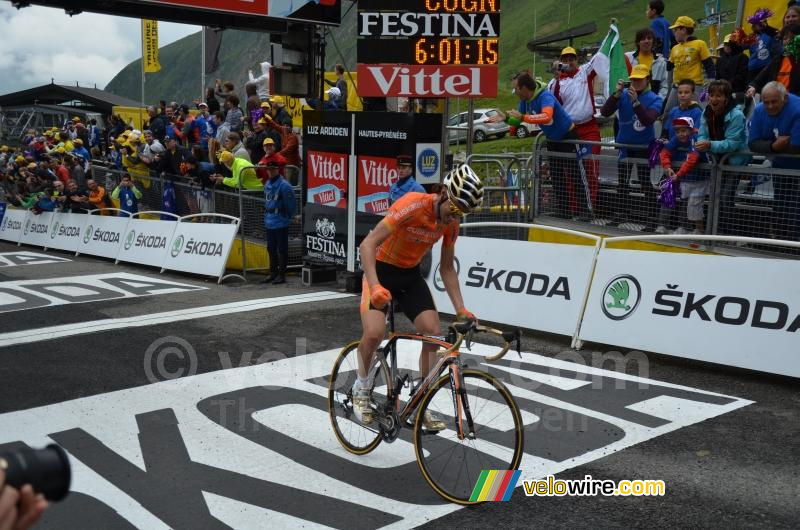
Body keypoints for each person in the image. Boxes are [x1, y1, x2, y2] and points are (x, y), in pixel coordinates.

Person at [353, 164, 482, 430]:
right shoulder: (412, 205)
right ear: (444, 193)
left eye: (463, 214)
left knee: (433, 333)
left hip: (409, 277)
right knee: (375, 334)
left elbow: (447, 268)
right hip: (381, 270)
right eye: (455, 208)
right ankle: (361, 387)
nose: (455, 217)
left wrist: (462, 309)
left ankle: (420, 403)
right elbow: (367, 244)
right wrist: (375, 286)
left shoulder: (450, 225)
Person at [489, 73, 589, 219]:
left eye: (515, 89)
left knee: (575, 173)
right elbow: (517, 122)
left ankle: (586, 211)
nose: (514, 92)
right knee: (556, 175)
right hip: (552, 138)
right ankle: (564, 211)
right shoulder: (525, 100)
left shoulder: (545, 96)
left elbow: (546, 116)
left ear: (523, 88)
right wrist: (506, 118)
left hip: (568, 136)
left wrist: (523, 117)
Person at [600, 64, 664, 230]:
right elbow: (605, 112)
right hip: (625, 146)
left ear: (647, 79)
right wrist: (616, 94)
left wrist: (636, 102)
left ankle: (652, 218)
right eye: (633, 79)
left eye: (640, 79)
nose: (636, 82)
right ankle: (620, 213)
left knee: (644, 181)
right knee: (622, 182)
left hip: (644, 147)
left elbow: (648, 120)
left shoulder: (656, 99)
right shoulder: (622, 96)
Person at [548, 46, 606, 212]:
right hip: (570, 131)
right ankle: (574, 209)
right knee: (572, 172)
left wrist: (611, 33)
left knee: (591, 168)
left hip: (589, 128)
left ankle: (590, 208)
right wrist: (557, 77)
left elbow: (599, 56)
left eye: (571, 59)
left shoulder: (584, 72)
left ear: (576, 60)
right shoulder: (556, 82)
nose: (568, 62)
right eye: (564, 60)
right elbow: (553, 100)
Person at [695, 79, 749, 235]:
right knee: (714, 198)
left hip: (733, 163)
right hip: (716, 161)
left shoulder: (737, 115)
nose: (714, 99)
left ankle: (730, 234)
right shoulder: (706, 112)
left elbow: (732, 144)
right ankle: (715, 232)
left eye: (718, 95)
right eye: (711, 95)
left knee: (725, 198)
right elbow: (701, 135)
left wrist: (709, 145)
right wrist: (703, 143)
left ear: (726, 97)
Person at [748, 81, 800, 241]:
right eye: (766, 102)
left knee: (795, 209)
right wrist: (773, 145)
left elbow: (796, 147)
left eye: (774, 101)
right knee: (782, 204)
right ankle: (781, 241)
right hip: (781, 166)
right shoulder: (758, 111)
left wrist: (770, 145)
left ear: (784, 98)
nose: (769, 106)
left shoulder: (797, 109)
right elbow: (752, 143)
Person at [658, 116, 708, 234]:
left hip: (701, 178)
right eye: (678, 131)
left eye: (684, 131)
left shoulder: (695, 137)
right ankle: (688, 228)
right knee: (687, 202)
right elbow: (665, 152)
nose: (681, 134)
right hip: (687, 177)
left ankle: (699, 231)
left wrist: (678, 174)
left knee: (695, 204)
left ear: (690, 130)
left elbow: (692, 158)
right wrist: (667, 166)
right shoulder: (677, 138)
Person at [665, 16, 714, 113]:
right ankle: (666, 128)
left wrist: (710, 86)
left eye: (675, 30)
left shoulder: (699, 44)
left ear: (683, 29)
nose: (674, 33)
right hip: (677, 86)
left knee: (698, 111)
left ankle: (701, 128)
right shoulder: (675, 48)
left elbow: (709, 65)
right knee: (668, 111)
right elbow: (669, 67)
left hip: (694, 86)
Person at [261, 160, 296, 285]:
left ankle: (281, 275)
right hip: (270, 221)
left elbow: (291, 205)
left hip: (280, 221)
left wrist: (287, 216)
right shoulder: (267, 183)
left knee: (282, 249)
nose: (270, 172)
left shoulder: (284, 186)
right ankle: (273, 273)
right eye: (269, 170)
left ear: (277, 169)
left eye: (273, 169)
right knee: (271, 248)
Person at [747, 24, 800, 98]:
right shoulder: (778, 59)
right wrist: (754, 86)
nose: (788, 41)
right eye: (785, 38)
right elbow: (763, 74)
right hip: (776, 100)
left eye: (792, 38)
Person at [626, 28, 669, 99]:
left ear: (653, 41)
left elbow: (664, 86)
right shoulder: (628, 58)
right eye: (643, 39)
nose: (646, 41)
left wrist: (658, 100)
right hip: (630, 100)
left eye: (649, 38)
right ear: (638, 42)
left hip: (652, 102)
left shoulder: (661, 62)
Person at [745, 8, 781, 84]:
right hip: (752, 69)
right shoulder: (752, 36)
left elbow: (777, 39)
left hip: (765, 69)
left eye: (762, 21)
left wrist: (766, 27)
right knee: (750, 93)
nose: (759, 24)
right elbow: (741, 46)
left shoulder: (771, 33)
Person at [715, 33, 749, 103]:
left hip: (738, 91)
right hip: (723, 91)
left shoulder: (742, 57)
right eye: (725, 44)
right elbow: (717, 76)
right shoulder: (720, 60)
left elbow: (742, 75)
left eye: (729, 44)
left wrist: (728, 83)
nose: (727, 47)